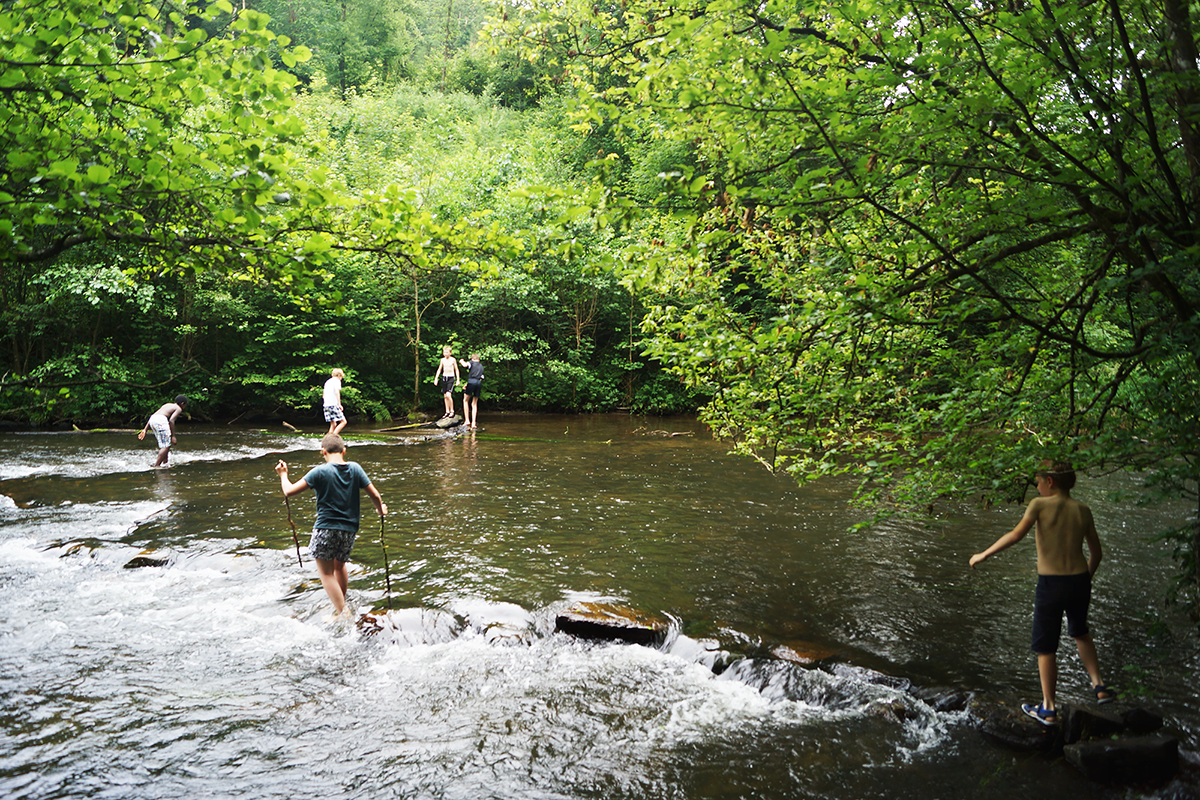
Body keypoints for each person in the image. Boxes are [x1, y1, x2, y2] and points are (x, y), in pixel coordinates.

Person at [969, 461, 1114, 726]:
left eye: (1038, 481)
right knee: (1080, 631)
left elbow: (1015, 535)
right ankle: (1100, 685)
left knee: (1045, 647)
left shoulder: (1039, 505)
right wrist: (1084, 582)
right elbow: (1097, 553)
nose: (1036, 486)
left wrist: (984, 554)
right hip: (1080, 580)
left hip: (1051, 583)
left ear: (1050, 482)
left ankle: (1047, 708)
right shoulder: (1083, 509)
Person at [274, 433, 386, 616]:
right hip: (349, 530)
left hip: (325, 528)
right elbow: (375, 495)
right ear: (344, 451)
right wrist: (380, 510)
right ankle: (341, 604)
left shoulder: (320, 471)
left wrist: (283, 474)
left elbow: (288, 491)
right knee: (340, 566)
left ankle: (343, 612)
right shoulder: (356, 468)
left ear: (323, 452)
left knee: (326, 574)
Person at [137, 395, 188, 467]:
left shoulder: (167, 405)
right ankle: (156, 466)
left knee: (165, 444)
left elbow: (153, 415)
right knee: (165, 446)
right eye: (185, 405)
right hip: (160, 421)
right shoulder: (178, 408)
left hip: (152, 420)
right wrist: (173, 436)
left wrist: (145, 429)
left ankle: (165, 463)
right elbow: (171, 420)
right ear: (183, 403)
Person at [433, 345, 459, 419]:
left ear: (450, 353)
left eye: (447, 352)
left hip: (451, 377)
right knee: (445, 396)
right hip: (444, 377)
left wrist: (458, 380)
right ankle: (447, 411)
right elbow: (439, 369)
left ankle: (452, 410)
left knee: (448, 395)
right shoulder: (442, 360)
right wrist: (436, 378)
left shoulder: (453, 360)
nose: (445, 354)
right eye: (444, 352)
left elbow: (456, 370)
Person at [459, 353, 484, 429]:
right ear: (478, 359)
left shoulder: (471, 363)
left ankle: (467, 420)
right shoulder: (481, 366)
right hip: (478, 383)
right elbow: (480, 378)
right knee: (474, 403)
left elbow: (464, 365)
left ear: (472, 359)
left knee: (465, 400)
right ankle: (473, 423)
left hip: (471, 381)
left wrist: (461, 361)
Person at [323, 368, 347, 435]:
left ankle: (327, 440)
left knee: (333, 424)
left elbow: (323, 395)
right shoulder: (337, 381)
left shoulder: (327, 382)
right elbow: (337, 392)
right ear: (339, 375)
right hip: (333, 404)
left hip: (326, 405)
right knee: (343, 422)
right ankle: (333, 437)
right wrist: (339, 404)